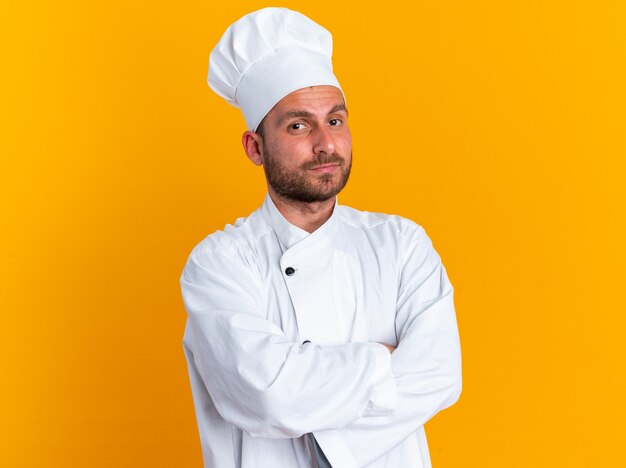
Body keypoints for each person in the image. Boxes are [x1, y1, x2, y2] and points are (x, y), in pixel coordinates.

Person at [181, 7, 462, 468]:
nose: (325, 144)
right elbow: (271, 395)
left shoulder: (402, 245)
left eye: (335, 120)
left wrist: (312, 393)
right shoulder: (218, 264)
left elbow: (440, 373)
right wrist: (382, 361)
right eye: (298, 125)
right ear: (255, 147)